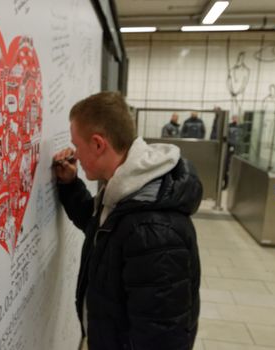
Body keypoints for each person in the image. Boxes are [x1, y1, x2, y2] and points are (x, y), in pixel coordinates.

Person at [52, 92, 202, 350]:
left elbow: (162, 338)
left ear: (98, 145)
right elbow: (99, 225)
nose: (74, 153)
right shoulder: (129, 192)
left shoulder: (152, 230)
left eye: (77, 145)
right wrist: (70, 185)